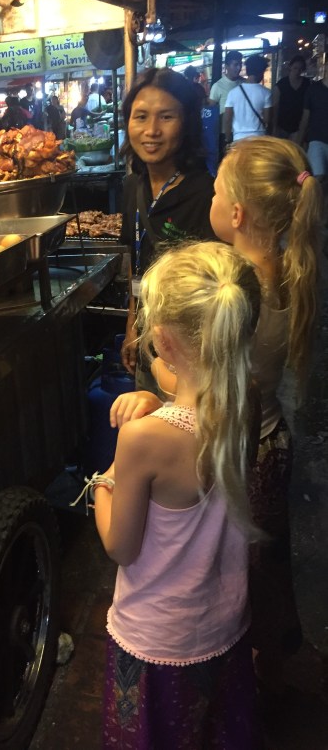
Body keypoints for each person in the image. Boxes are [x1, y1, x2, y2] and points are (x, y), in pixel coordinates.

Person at [114, 137, 321, 703]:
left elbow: (208, 378)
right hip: (267, 435)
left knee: (229, 557)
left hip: (233, 434)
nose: (209, 198)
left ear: (236, 213)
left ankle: (240, 662)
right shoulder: (288, 271)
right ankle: (261, 669)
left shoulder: (234, 290)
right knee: (255, 557)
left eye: (216, 192)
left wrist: (160, 369)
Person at [86, 240, 263, 748]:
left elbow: (121, 547)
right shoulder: (248, 400)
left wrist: (102, 482)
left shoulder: (145, 439)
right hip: (224, 627)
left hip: (158, 640)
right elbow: (194, 405)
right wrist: (154, 398)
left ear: (162, 341)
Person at [119, 67, 215, 393]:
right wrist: (133, 325)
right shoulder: (132, 186)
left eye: (166, 117)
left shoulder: (206, 195)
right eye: (141, 117)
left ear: (186, 122)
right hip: (148, 344)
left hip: (191, 357)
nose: (152, 131)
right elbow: (136, 262)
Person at [224, 54, 272, 143]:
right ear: (260, 72)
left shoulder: (232, 93)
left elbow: (227, 119)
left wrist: (227, 138)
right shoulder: (266, 93)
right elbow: (267, 119)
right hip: (259, 138)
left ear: (247, 70)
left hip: (239, 139)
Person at [297, 58, 328, 183]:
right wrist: (299, 142)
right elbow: (305, 117)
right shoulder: (313, 89)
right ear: (325, 66)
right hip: (316, 139)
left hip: (316, 138)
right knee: (316, 177)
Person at [208, 50, 244, 156]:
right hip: (225, 133)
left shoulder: (244, 83)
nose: (239, 68)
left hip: (242, 132)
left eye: (240, 64)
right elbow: (211, 111)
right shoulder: (218, 86)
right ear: (227, 66)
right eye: (235, 64)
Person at [272, 55, 309, 139]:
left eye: (300, 69)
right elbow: (275, 106)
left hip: (299, 127)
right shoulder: (281, 84)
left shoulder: (307, 84)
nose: (297, 71)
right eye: (295, 68)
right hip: (282, 125)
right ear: (290, 67)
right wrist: (274, 127)